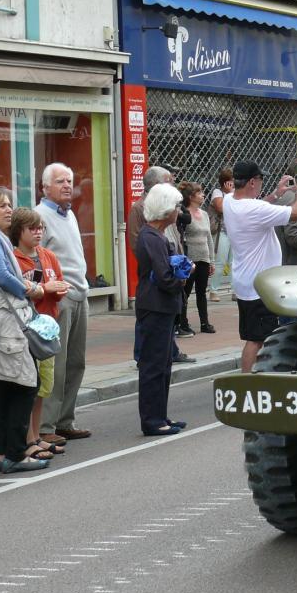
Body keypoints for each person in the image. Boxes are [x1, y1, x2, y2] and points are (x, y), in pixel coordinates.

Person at [0, 187, 48, 473]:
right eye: (1, 205)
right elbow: (2, 276)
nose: (8, 210)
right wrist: (33, 289)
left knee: (6, 385)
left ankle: (2, 453)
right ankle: (16, 453)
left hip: (1, 315)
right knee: (24, 382)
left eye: (9, 205)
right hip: (4, 317)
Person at [223, 161, 297, 373]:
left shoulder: (229, 201)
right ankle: (248, 383)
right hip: (260, 286)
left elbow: (261, 207)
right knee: (257, 340)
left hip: (246, 282)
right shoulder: (254, 209)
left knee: (256, 337)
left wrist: (276, 194)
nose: (261, 184)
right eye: (260, 180)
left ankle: (251, 380)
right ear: (252, 182)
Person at [35, 163, 93, 444]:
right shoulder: (40, 216)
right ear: (45, 187)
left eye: (69, 180)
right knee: (55, 364)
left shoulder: (68, 214)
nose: (67, 185)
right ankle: (46, 425)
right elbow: (35, 259)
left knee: (76, 362)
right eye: (60, 181)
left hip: (80, 292)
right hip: (60, 297)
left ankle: (65, 420)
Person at [134, 182, 192, 436]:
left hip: (163, 306)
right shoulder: (150, 237)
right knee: (153, 366)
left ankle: (161, 416)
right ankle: (152, 420)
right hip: (155, 306)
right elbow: (165, 277)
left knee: (163, 364)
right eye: (176, 206)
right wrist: (183, 275)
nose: (179, 211)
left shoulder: (157, 235)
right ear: (166, 209)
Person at [11, 208, 69, 461]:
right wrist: (44, 289)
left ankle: (36, 436)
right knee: (28, 386)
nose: (38, 233)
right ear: (18, 232)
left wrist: (56, 290)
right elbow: (19, 291)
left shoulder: (47, 256)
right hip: (24, 329)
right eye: (31, 228)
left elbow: (58, 285)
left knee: (43, 386)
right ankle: (28, 437)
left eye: (40, 228)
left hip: (46, 328)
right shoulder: (14, 258)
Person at [177, 181, 215, 335]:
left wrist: (211, 259)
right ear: (191, 196)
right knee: (185, 291)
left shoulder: (204, 214)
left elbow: (209, 238)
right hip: (190, 258)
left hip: (203, 256)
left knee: (201, 292)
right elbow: (181, 237)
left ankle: (204, 323)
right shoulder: (184, 214)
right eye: (200, 193)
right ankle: (183, 323)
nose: (203, 195)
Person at [207, 167, 234, 300]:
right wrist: (229, 194)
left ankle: (236, 290)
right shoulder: (217, 192)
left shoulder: (236, 194)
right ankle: (214, 291)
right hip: (221, 232)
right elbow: (221, 207)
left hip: (234, 232)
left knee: (235, 263)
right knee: (220, 262)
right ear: (225, 183)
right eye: (232, 181)